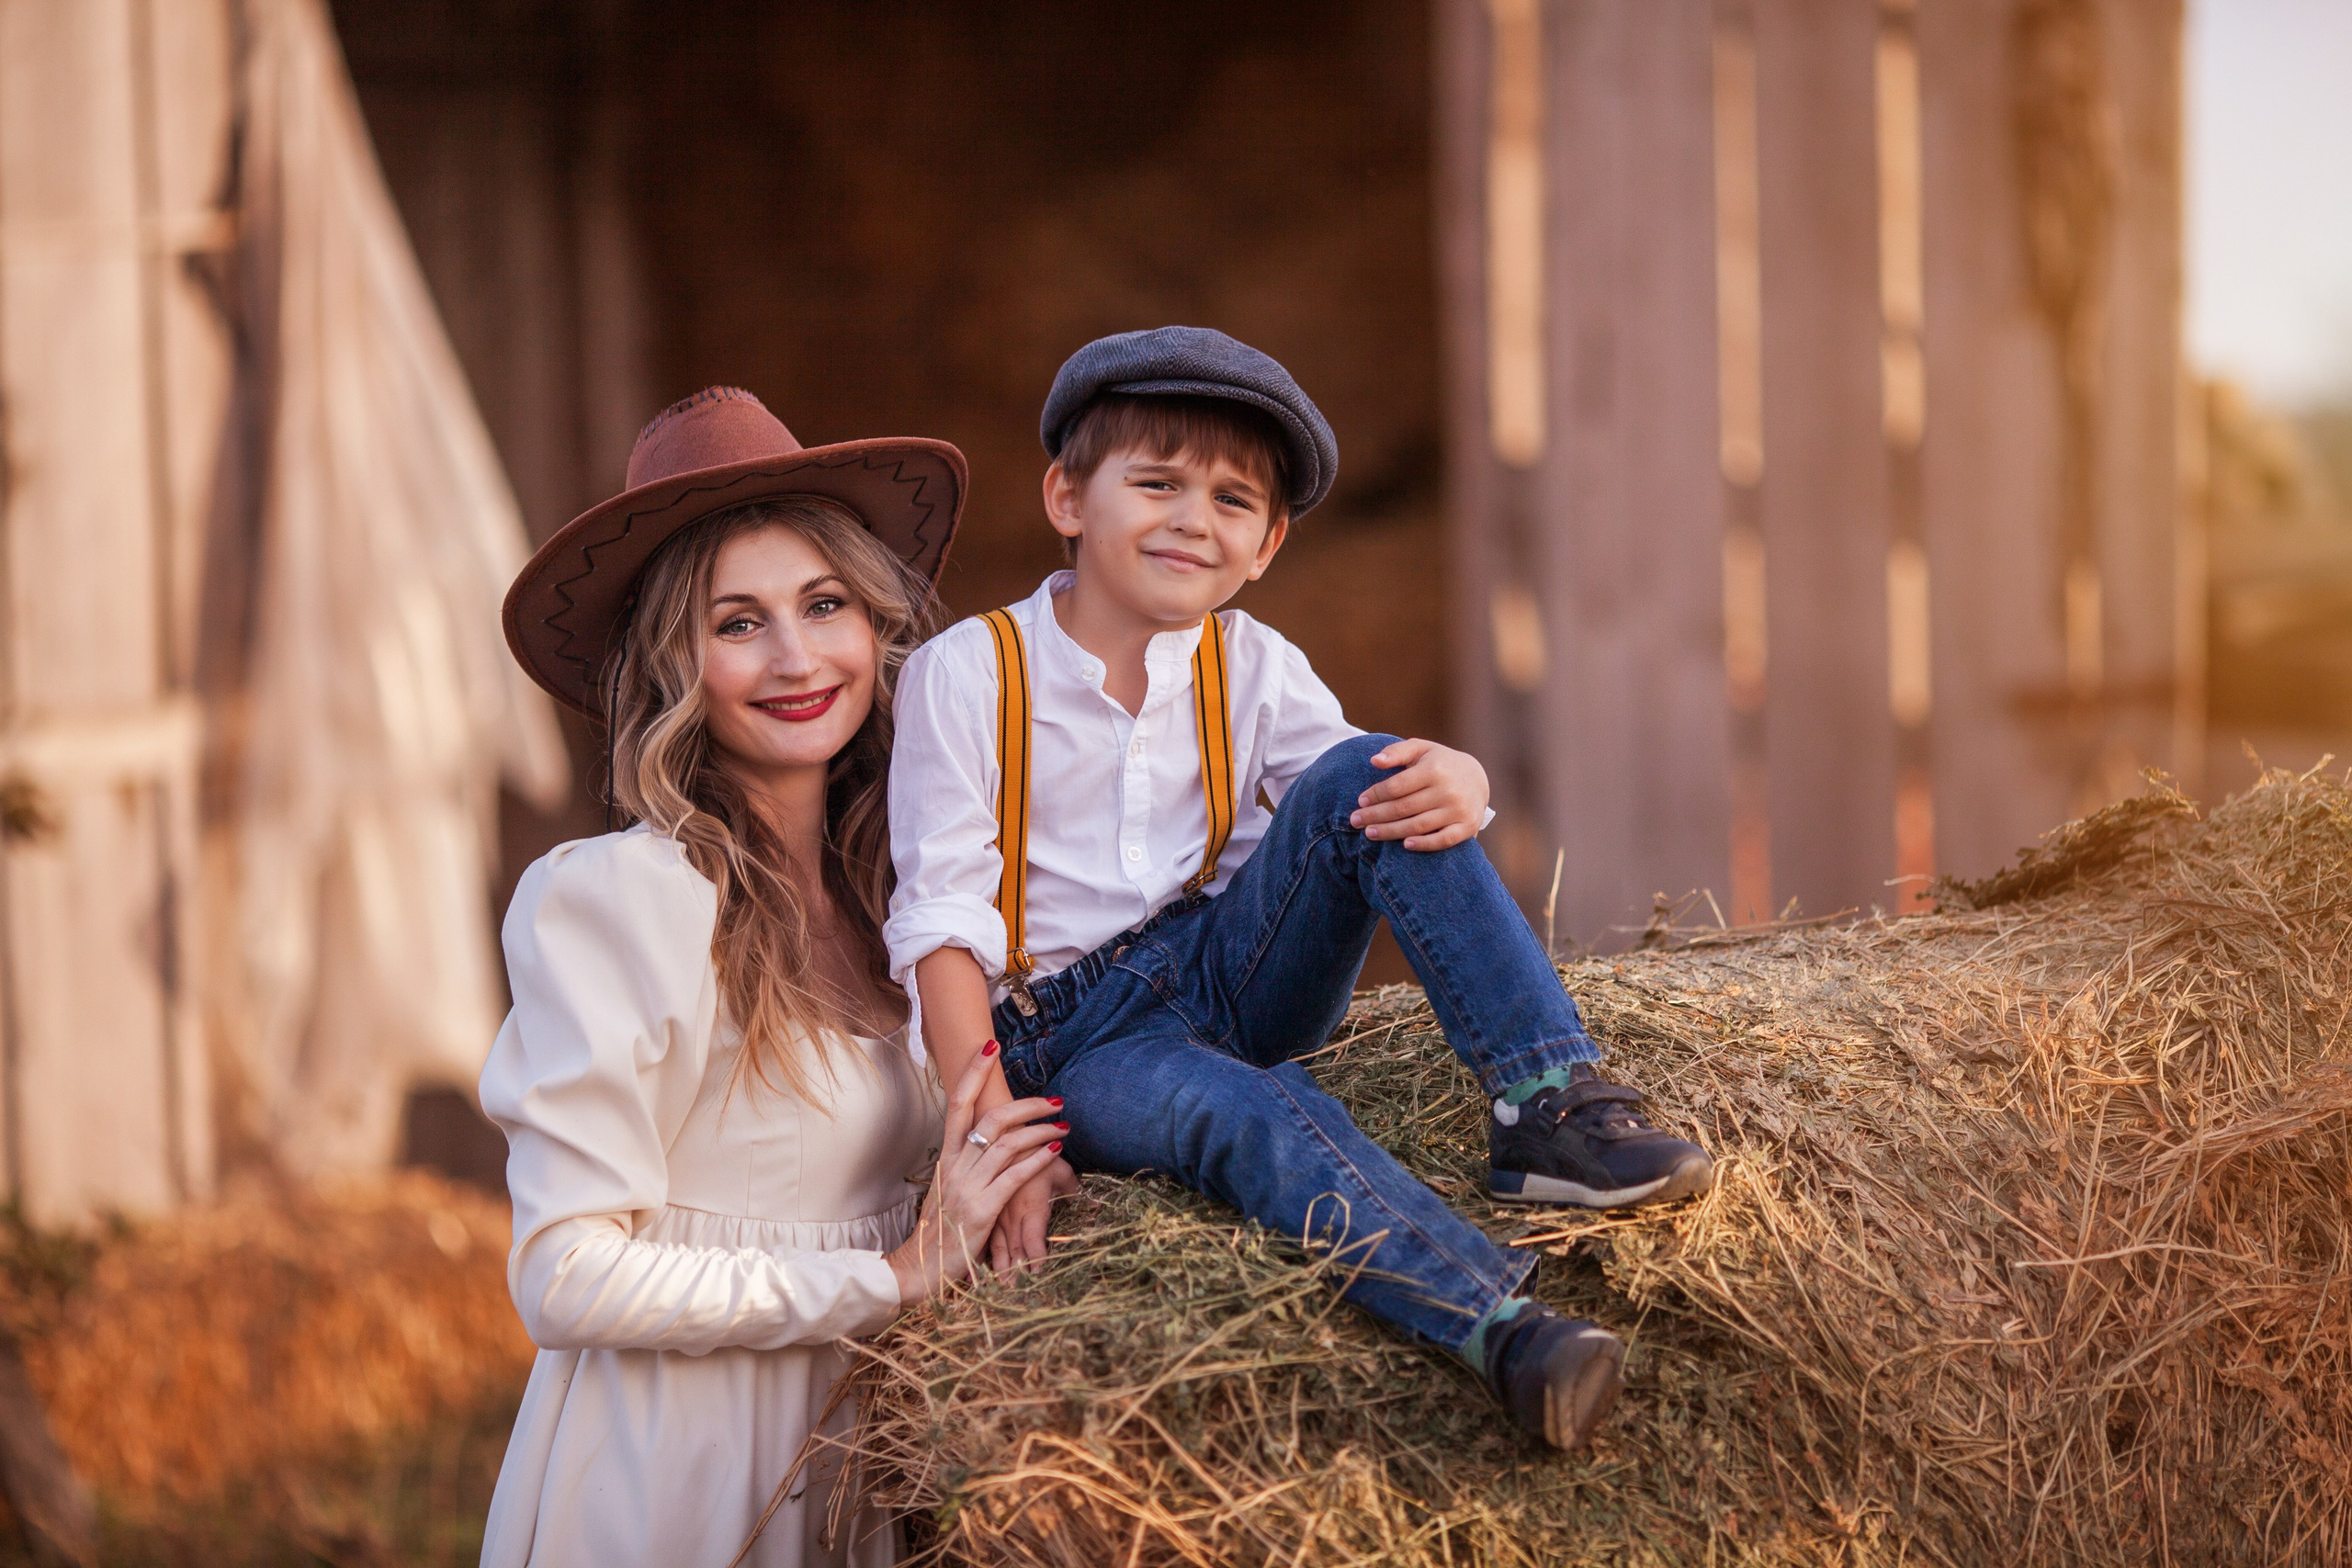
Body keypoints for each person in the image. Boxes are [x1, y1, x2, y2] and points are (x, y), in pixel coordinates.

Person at [884, 327, 1715, 1452]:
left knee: (1370, 773)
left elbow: (1361, 802)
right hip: (1076, 1043)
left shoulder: (1256, 664)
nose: (1192, 519)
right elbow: (941, 918)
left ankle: (1546, 1102)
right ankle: (1502, 1330)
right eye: (1158, 483)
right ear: (1066, 498)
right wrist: (988, 1132)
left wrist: (1458, 778)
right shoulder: (970, 671)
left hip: (1231, 965)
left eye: (1232, 501)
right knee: (1247, 1112)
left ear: (1266, 544)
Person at [481, 388, 1066, 1567]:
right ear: (671, 663)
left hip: (872, 1455)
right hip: (681, 1475)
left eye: (825, 604)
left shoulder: (919, 897)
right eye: (737, 623)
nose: (798, 658)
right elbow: (563, 1277)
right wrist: (890, 1275)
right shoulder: (621, 897)